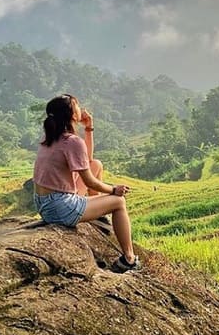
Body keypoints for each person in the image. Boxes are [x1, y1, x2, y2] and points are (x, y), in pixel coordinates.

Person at [32, 94, 140, 272]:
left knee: (96, 165)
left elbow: (87, 161)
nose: (81, 109)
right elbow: (89, 181)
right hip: (60, 208)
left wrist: (89, 128)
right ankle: (129, 259)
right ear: (72, 115)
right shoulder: (72, 141)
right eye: (77, 106)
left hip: (45, 204)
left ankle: (97, 215)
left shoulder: (52, 137)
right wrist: (114, 190)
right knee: (119, 202)